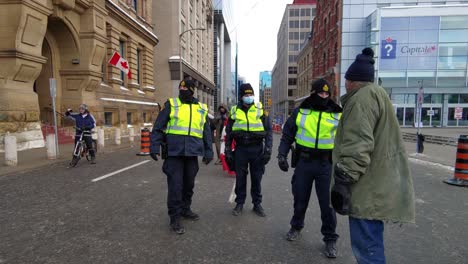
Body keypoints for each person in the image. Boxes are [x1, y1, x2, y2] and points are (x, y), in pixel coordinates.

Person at [331, 48, 415, 263]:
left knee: (367, 248)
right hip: (377, 182)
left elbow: (358, 143)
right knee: (371, 244)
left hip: (367, 188)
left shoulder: (361, 99)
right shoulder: (378, 94)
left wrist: (343, 180)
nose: (345, 85)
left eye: (347, 80)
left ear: (353, 81)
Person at [277, 78, 342, 258]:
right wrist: (281, 154)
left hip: (325, 165)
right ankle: (296, 226)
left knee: (327, 205)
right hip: (304, 163)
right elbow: (287, 134)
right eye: (320, 93)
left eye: (327, 94)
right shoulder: (300, 112)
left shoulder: (337, 113)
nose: (324, 96)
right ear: (313, 93)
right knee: (300, 199)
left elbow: (345, 140)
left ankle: (330, 239)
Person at [149, 79, 214, 235]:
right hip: (174, 152)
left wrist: (208, 151)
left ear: (192, 90)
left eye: (185, 88)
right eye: (181, 87)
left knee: (189, 184)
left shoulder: (201, 108)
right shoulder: (171, 104)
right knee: (175, 186)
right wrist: (154, 146)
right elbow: (158, 126)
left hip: (192, 153)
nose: (182, 90)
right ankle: (174, 217)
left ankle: (185, 209)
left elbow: (205, 131)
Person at [225, 83, 273, 217]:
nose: (249, 97)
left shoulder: (260, 110)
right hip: (241, 149)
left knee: (257, 178)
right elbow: (228, 133)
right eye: (246, 95)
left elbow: (269, 131)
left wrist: (268, 150)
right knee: (240, 178)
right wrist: (228, 150)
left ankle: (257, 204)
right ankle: (239, 203)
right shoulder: (234, 111)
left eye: (251, 94)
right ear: (241, 96)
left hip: (257, 149)